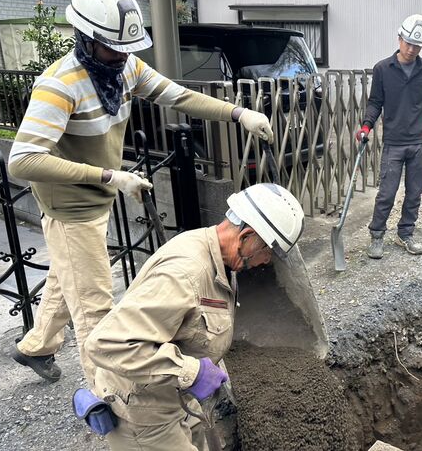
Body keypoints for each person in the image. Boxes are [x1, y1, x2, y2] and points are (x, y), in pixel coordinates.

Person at [7, 0, 273, 384]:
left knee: (68, 280)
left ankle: (36, 347)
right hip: (72, 210)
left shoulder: (124, 67)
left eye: (126, 47)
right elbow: (22, 161)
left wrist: (238, 115)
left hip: (95, 199)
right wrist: (110, 177)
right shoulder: (60, 86)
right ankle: (110, 401)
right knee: (95, 308)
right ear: (86, 38)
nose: (121, 55)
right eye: (112, 46)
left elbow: (178, 96)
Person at [82, 183, 304, 450]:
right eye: (266, 252)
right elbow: (106, 344)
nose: (266, 261)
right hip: (143, 415)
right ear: (245, 236)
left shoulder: (218, 258)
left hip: (175, 397)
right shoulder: (184, 275)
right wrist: (192, 372)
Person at [356, 14, 422, 259]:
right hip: (394, 143)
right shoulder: (383, 69)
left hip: (420, 142)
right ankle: (377, 236)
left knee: (414, 192)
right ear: (399, 38)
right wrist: (366, 126)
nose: (411, 49)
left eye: (417, 46)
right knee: (386, 192)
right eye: (408, 43)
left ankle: (405, 233)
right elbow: (375, 102)